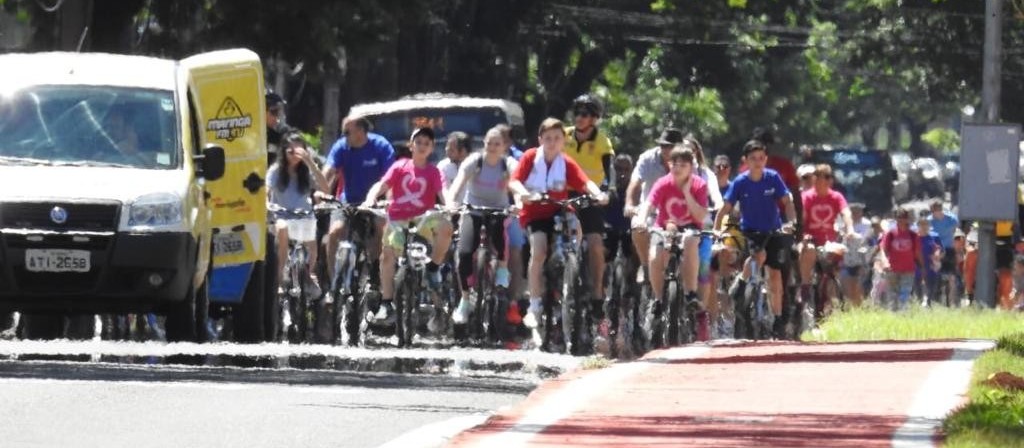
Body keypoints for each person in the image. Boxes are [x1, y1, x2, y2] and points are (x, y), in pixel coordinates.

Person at [508, 118, 607, 330]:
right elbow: (514, 180)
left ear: (564, 140)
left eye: (557, 138)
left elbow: (584, 181)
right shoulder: (530, 157)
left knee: (577, 228)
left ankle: (572, 267)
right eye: (548, 138)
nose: (552, 142)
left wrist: (598, 193)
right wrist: (524, 193)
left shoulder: (566, 162)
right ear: (540, 139)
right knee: (539, 249)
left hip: (559, 209)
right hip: (535, 213)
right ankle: (534, 306)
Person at [361, 127, 453, 325]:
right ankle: (386, 303)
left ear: (431, 149)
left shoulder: (433, 171)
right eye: (418, 142)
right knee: (387, 255)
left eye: (426, 143)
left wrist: (450, 205)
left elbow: (443, 190)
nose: (422, 146)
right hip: (398, 219)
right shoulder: (399, 166)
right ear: (411, 145)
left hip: (424, 220)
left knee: (446, 226)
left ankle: (433, 267)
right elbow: (382, 185)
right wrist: (371, 198)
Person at [713, 139, 797, 337]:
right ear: (746, 161)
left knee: (775, 276)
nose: (758, 162)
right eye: (753, 158)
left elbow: (787, 201)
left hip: (774, 231)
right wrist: (717, 229)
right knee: (758, 255)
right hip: (751, 231)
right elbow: (725, 208)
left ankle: (777, 318)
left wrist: (791, 222)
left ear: (765, 159)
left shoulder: (773, 177)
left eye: (761, 158)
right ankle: (742, 281)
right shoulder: (741, 182)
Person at [634, 146, 710, 339]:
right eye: (674, 164)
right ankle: (659, 299)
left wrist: (686, 193)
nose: (677, 168)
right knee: (654, 254)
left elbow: (701, 214)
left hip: (690, 228)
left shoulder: (699, 185)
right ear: (669, 164)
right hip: (665, 227)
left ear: (691, 167)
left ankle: (691, 293)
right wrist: (642, 220)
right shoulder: (662, 183)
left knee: (691, 240)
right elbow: (649, 204)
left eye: (683, 165)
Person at [445, 127, 519, 325]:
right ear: (484, 144)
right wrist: (452, 202)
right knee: (465, 251)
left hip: (499, 210)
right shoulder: (474, 162)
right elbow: (457, 184)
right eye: (489, 143)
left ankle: (502, 269)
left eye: (497, 144)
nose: (493, 148)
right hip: (473, 210)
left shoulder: (508, 163)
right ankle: (465, 299)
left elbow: (516, 184)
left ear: (504, 146)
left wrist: (518, 204)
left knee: (500, 236)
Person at [323, 116, 396, 303]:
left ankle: (375, 272)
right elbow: (328, 171)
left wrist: (389, 202)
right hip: (349, 201)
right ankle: (333, 283)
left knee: (381, 228)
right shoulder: (341, 146)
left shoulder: (381, 145)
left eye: (347, 132)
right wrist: (320, 191)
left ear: (361, 131)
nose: (343, 136)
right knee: (334, 232)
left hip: (376, 202)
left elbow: (390, 179)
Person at [564, 94, 615, 311]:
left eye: (584, 114)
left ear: (594, 118)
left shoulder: (602, 140)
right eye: (577, 113)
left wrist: (608, 191)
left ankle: (596, 293)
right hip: (562, 194)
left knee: (595, 242)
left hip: (589, 195)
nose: (579, 118)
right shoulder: (563, 135)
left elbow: (609, 169)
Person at [268, 132, 331, 296]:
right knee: (282, 228)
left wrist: (310, 162)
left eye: (299, 150)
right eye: (290, 150)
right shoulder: (276, 171)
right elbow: (265, 191)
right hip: (282, 217)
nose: (294, 154)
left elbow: (325, 189)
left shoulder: (306, 172)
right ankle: (280, 280)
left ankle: (310, 273)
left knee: (311, 230)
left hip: (303, 217)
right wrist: (267, 205)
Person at [625, 128, 684, 280]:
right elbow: (635, 183)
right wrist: (629, 204)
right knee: (637, 228)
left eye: (670, 146)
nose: (666, 150)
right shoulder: (647, 158)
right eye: (663, 146)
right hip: (650, 212)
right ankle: (645, 266)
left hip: (678, 215)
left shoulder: (688, 161)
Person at [797, 163, 854, 318]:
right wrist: (802, 235)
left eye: (830, 177)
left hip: (829, 242)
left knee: (839, 255)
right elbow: (801, 220)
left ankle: (832, 296)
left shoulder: (836, 196)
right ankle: (805, 287)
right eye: (825, 177)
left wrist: (850, 230)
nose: (829, 181)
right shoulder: (807, 197)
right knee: (807, 250)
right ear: (816, 179)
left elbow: (846, 213)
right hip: (810, 241)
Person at [880, 208, 923, 311]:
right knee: (893, 294)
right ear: (896, 219)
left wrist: (922, 265)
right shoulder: (890, 234)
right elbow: (883, 249)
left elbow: (917, 252)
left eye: (904, 218)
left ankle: (903, 313)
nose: (902, 221)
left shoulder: (913, 235)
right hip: (893, 269)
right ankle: (894, 314)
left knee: (905, 292)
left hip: (908, 269)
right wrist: (885, 262)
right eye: (899, 218)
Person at [839, 203, 872, 306]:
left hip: (861, 259)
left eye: (858, 211)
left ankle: (860, 306)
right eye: (853, 211)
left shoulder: (867, 224)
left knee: (859, 284)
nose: (856, 213)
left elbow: (867, 239)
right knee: (847, 283)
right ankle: (850, 305)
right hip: (847, 258)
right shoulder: (844, 225)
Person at [928, 199, 959, 291]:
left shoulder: (952, 219)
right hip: (936, 251)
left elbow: (954, 231)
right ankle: (935, 297)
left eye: (936, 210)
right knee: (935, 274)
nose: (934, 213)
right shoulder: (929, 221)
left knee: (951, 276)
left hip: (949, 249)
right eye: (932, 211)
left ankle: (952, 301)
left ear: (940, 209)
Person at [915, 215, 943, 306]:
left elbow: (941, 251)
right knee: (917, 292)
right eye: (922, 224)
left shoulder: (935, 236)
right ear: (918, 225)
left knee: (931, 291)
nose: (924, 226)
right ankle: (917, 308)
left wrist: (937, 256)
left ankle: (930, 307)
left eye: (926, 224)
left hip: (931, 268)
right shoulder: (914, 237)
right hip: (917, 268)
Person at [265, 92, 293, 166]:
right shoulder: (250, 135)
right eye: (274, 112)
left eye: (279, 113)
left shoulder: (282, 134)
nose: (277, 118)